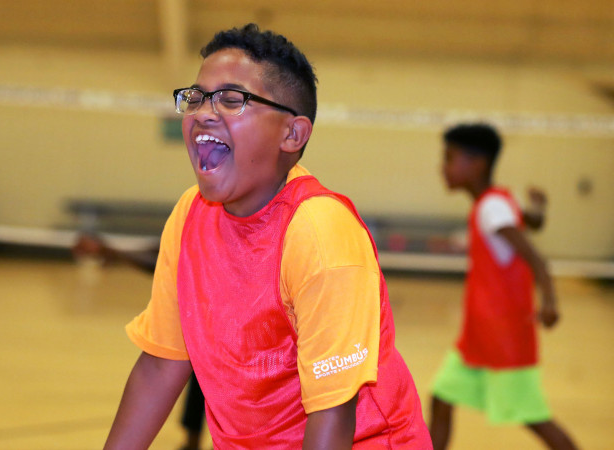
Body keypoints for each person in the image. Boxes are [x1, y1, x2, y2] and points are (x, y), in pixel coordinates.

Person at [105, 24, 431, 449]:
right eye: (197, 96)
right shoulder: (190, 214)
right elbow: (160, 366)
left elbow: (332, 416)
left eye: (231, 99)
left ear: (292, 134)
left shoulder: (319, 233)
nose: (204, 111)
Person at [430, 123, 577, 450]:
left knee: (535, 418)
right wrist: (538, 209)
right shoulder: (496, 203)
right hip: (477, 339)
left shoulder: (491, 208)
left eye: (450, 158)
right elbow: (530, 221)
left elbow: (537, 260)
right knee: (441, 398)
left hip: (504, 339)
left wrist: (550, 300)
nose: (443, 166)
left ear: (477, 164)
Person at [72, 234, 207, 449]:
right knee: (198, 370)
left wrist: (113, 251)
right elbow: (165, 249)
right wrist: (111, 250)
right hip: (211, 327)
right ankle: (192, 441)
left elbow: (165, 260)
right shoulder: (195, 218)